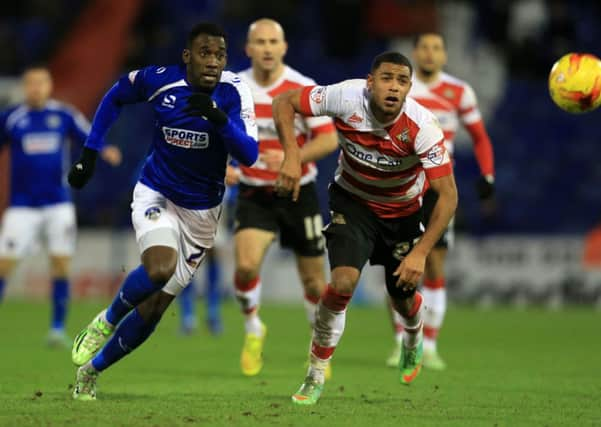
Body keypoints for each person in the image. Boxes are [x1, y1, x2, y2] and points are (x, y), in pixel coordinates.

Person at [67, 22, 258, 400]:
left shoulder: (234, 92)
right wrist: (91, 151)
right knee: (159, 268)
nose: (213, 62)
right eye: (205, 53)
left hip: (202, 214)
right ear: (188, 56)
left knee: (154, 310)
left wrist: (219, 118)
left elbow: (249, 155)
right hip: (156, 193)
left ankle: (92, 371)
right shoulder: (160, 81)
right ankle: (104, 321)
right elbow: (116, 95)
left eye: (220, 55)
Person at [272, 51, 458, 405]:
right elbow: (284, 102)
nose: (394, 87)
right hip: (352, 203)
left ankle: (413, 336)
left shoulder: (422, 127)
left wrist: (420, 253)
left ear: (409, 89)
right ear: (370, 82)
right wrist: (292, 156)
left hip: (402, 213)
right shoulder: (345, 96)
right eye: (387, 78)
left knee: (402, 299)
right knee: (342, 283)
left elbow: (448, 195)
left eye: (402, 81)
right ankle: (314, 374)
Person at [232, 18, 338, 377]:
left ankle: (318, 350)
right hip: (253, 192)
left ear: (283, 47)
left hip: (298, 193)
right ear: (248, 48)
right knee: (245, 267)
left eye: (272, 41)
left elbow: (328, 139)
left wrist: (294, 157)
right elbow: (217, 136)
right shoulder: (234, 87)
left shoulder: (301, 87)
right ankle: (253, 329)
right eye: (259, 42)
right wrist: (223, 167)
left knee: (313, 282)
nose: (265, 48)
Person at [385, 33, 495, 370]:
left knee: (433, 264)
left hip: (437, 185)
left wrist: (487, 175)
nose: (430, 53)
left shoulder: (459, 92)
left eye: (436, 48)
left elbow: (479, 137)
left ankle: (429, 345)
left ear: (444, 55)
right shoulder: (401, 88)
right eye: (424, 48)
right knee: (396, 265)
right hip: (400, 185)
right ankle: (401, 342)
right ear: (415, 52)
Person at [0, 66, 121, 347]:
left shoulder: (63, 115)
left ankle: (56, 328)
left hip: (58, 204)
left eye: (41, 83)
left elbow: (89, 136)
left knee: (61, 265)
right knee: (4, 265)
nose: (36, 88)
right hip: (22, 206)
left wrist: (104, 149)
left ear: (49, 85)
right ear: (24, 87)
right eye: (31, 83)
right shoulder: (12, 119)